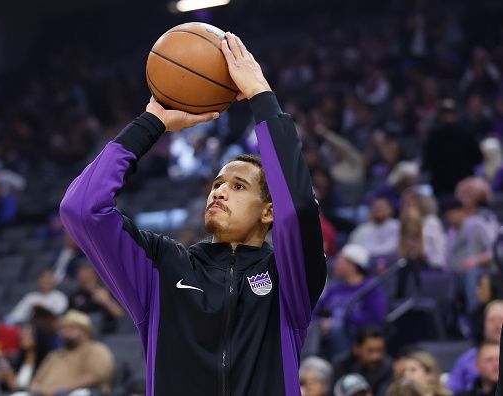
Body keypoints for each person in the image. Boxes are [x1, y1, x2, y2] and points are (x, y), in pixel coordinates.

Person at [59, 31, 327, 395]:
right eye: (217, 184)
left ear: (268, 212)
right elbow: (82, 209)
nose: (218, 191)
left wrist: (262, 98)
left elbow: (297, 209)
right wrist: (150, 122)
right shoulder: (162, 266)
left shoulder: (288, 279)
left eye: (238, 186)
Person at [315, 244, 387, 358]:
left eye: (340, 260)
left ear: (351, 264)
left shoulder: (371, 289)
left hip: (354, 336)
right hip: (327, 335)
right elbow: (316, 309)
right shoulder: (335, 289)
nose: (335, 264)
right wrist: (321, 322)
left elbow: (376, 319)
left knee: (336, 330)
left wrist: (342, 320)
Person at [29, 310, 115, 395]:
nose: (65, 332)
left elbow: (96, 377)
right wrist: (39, 390)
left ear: (86, 331)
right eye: (63, 329)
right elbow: (36, 380)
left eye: (71, 328)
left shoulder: (96, 349)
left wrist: (61, 388)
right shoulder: (54, 355)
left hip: (75, 392)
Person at [422, 98, 482, 197]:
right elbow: (478, 159)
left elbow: (427, 164)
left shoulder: (433, 136)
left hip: (442, 188)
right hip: (464, 188)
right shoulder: (466, 133)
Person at [449, 300, 503, 393]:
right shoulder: (465, 359)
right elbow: (452, 390)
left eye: (502, 319)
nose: (497, 325)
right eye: (492, 320)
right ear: (484, 324)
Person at [333, 326, 393, 396]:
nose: (376, 356)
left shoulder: (389, 367)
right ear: (356, 349)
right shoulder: (341, 365)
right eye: (371, 351)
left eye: (380, 350)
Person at [0, 323, 57, 393]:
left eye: (27, 334)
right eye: (22, 333)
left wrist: (14, 384)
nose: (22, 336)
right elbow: (10, 389)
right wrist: (4, 381)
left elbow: (41, 388)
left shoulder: (47, 361)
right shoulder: (17, 361)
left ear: (37, 336)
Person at [68, 265, 124, 334]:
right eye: (82, 277)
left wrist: (107, 302)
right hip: (83, 333)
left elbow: (122, 316)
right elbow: (69, 319)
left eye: (88, 276)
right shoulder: (74, 296)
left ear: (96, 276)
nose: (85, 280)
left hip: (109, 332)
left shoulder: (110, 292)